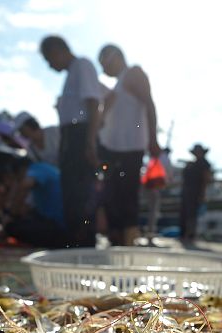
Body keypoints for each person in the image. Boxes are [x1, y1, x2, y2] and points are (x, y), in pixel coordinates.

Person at [40, 35, 103, 247]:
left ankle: (85, 246)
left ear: (59, 50)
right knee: (71, 196)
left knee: (81, 196)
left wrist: (90, 142)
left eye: (50, 59)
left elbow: (94, 105)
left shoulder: (82, 65)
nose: (50, 66)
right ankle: (75, 244)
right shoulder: (71, 74)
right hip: (69, 137)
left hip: (80, 136)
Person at [96, 44, 161, 247]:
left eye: (103, 64)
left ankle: (129, 243)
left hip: (130, 148)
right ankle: (116, 241)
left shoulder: (133, 73)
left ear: (113, 58)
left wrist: (152, 138)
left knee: (127, 197)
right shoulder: (115, 86)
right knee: (111, 197)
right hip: (112, 150)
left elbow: (149, 104)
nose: (103, 70)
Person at [0, 154, 67, 249]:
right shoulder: (45, 168)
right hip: (57, 223)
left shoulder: (35, 170)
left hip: (57, 227)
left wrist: (10, 216)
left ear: (22, 170)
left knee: (11, 227)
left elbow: (24, 186)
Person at [180, 144, 213, 248]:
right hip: (187, 191)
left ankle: (190, 235)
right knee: (184, 212)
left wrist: (202, 194)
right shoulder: (192, 163)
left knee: (192, 214)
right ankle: (184, 234)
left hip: (196, 192)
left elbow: (206, 179)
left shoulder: (205, 164)